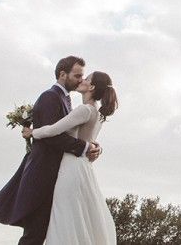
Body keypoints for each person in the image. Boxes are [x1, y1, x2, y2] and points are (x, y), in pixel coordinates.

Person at [0, 56, 102, 244]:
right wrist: (85, 148)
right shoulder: (50, 97)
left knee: (42, 234)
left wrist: (93, 145)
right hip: (42, 175)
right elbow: (53, 136)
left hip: (56, 174)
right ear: (63, 74)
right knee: (35, 235)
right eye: (77, 75)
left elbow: (72, 131)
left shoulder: (65, 99)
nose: (81, 80)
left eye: (83, 76)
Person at [24, 70, 118, 244]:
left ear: (92, 86)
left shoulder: (84, 110)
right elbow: (90, 140)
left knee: (64, 218)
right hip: (84, 168)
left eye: (86, 78)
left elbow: (53, 130)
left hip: (71, 168)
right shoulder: (98, 113)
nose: (82, 80)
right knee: (79, 219)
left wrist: (32, 132)